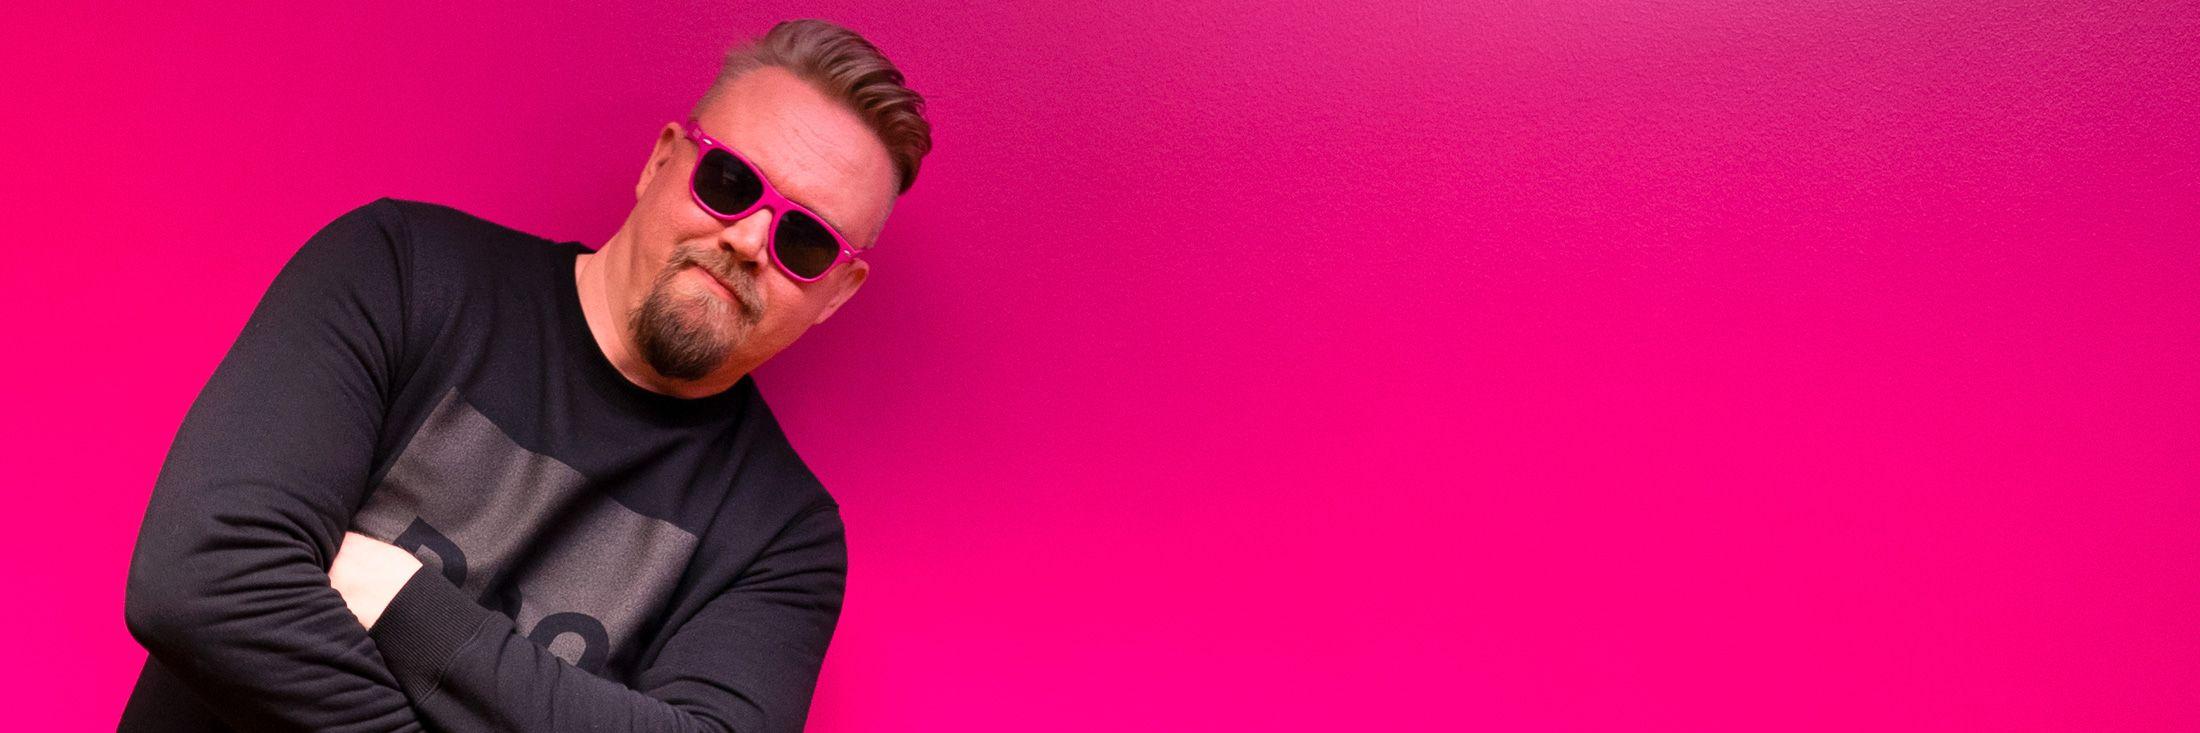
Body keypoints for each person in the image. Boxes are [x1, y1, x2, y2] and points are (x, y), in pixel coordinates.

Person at [118, 18, 932, 732]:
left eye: (805, 241)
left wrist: (405, 605)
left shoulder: (783, 537)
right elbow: (200, 579)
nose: (749, 240)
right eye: (730, 183)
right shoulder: (401, 274)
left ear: (835, 293)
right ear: (661, 160)